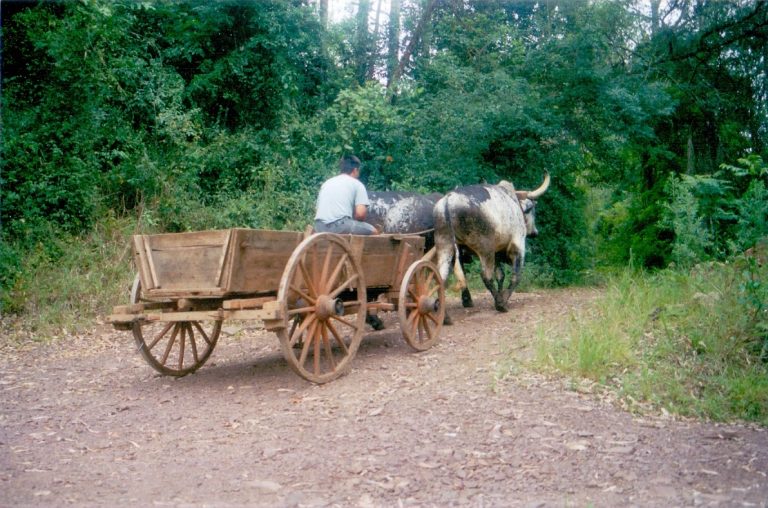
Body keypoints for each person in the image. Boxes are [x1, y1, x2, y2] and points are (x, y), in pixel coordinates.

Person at [314, 154, 379, 235]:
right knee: (374, 232)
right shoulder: (357, 184)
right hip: (340, 226)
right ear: (355, 170)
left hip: (319, 227)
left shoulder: (326, 183)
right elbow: (360, 214)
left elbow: (317, 210)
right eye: (358, 171)